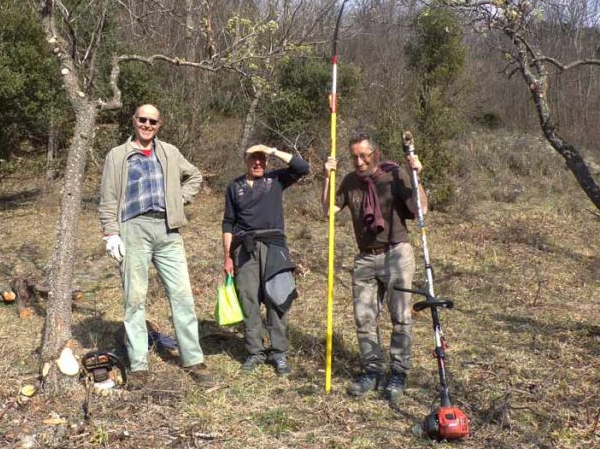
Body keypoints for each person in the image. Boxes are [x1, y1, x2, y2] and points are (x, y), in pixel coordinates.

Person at [99, 104, 211, 390]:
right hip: (133, 229)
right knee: (135, 298)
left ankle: (193, 360)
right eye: (142, 119)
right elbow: (109, 198)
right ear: (134, 121)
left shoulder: (170, 152)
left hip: (168, 230)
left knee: (182, 295)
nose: (147, 125)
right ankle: (138, 365)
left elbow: (195, 176)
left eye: (153, 121)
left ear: (159, 125)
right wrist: (111, 233)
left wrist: (179, 200)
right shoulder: (117, 156)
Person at [322, 132, 427, 402]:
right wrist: (327, 178)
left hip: (396, 253)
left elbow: (420, 210)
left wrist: (417, 177)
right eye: (354, 156)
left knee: (401, 316)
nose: (358, 162)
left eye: (363, 156)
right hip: (365, 258)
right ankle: (371, 370)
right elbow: (328, 211)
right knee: (364, 318)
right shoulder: (349, 181)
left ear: (375, 154)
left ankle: (399, 373)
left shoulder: (394, 175)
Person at [222, 144, 309, 376]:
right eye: (253, 159)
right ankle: (255, 352)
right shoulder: (234, 186)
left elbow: (303, 167)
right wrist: (228, 257)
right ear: (246, 161)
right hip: (244, 249)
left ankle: (279, 352)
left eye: (262, 159)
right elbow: (228, 222)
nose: (258, 163)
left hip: (274, 247)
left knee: (277, 298)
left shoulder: (275, 180)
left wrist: (271, 150)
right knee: (248, 299)